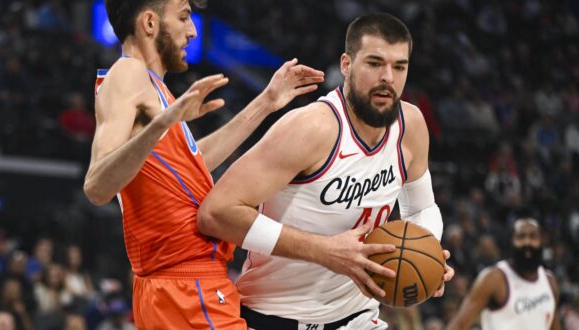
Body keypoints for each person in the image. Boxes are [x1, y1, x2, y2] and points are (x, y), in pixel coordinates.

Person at [198, 12, 454, 330]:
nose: (388, 77)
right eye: (374, 63)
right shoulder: (311, 128)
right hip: (277, 316)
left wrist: (427, 253)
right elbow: (216, 213)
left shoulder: (410, 124)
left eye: (399, 66)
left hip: (359, 316)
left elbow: (423, 207)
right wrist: (324, 251)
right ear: (346, 64)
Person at [83, 0, 324, 329]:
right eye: (183, 17)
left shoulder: (152, 87)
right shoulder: (128, 73)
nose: (193, 30)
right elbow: (97, 186)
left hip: (180, 288)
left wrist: (266, 103)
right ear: (150, 23)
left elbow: (192, 162)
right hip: (185, 288)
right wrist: (163, 123)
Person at [446, 218, 560, 330]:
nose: (527, 242)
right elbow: (459, 325)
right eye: (521, 237)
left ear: (542, 241)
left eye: (533, 236)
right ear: (512, 241)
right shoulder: (494, 279)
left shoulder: (550, 281)